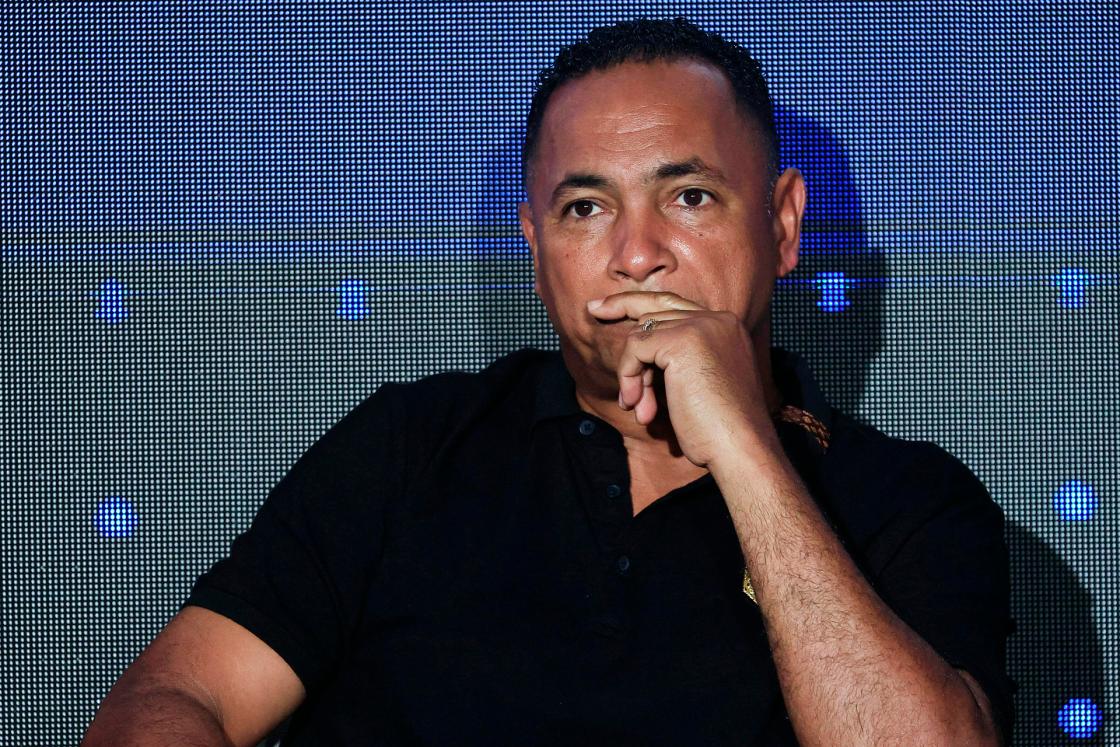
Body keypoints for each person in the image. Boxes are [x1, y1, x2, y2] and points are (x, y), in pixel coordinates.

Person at [84, 17, 1013, 746]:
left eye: (689, 196)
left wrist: (743, 445)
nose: (637, 255)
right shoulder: (415, 446)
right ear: (537, 254)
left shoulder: (906, 503)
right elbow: (175, 696)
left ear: (780, 225)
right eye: (586, 207)